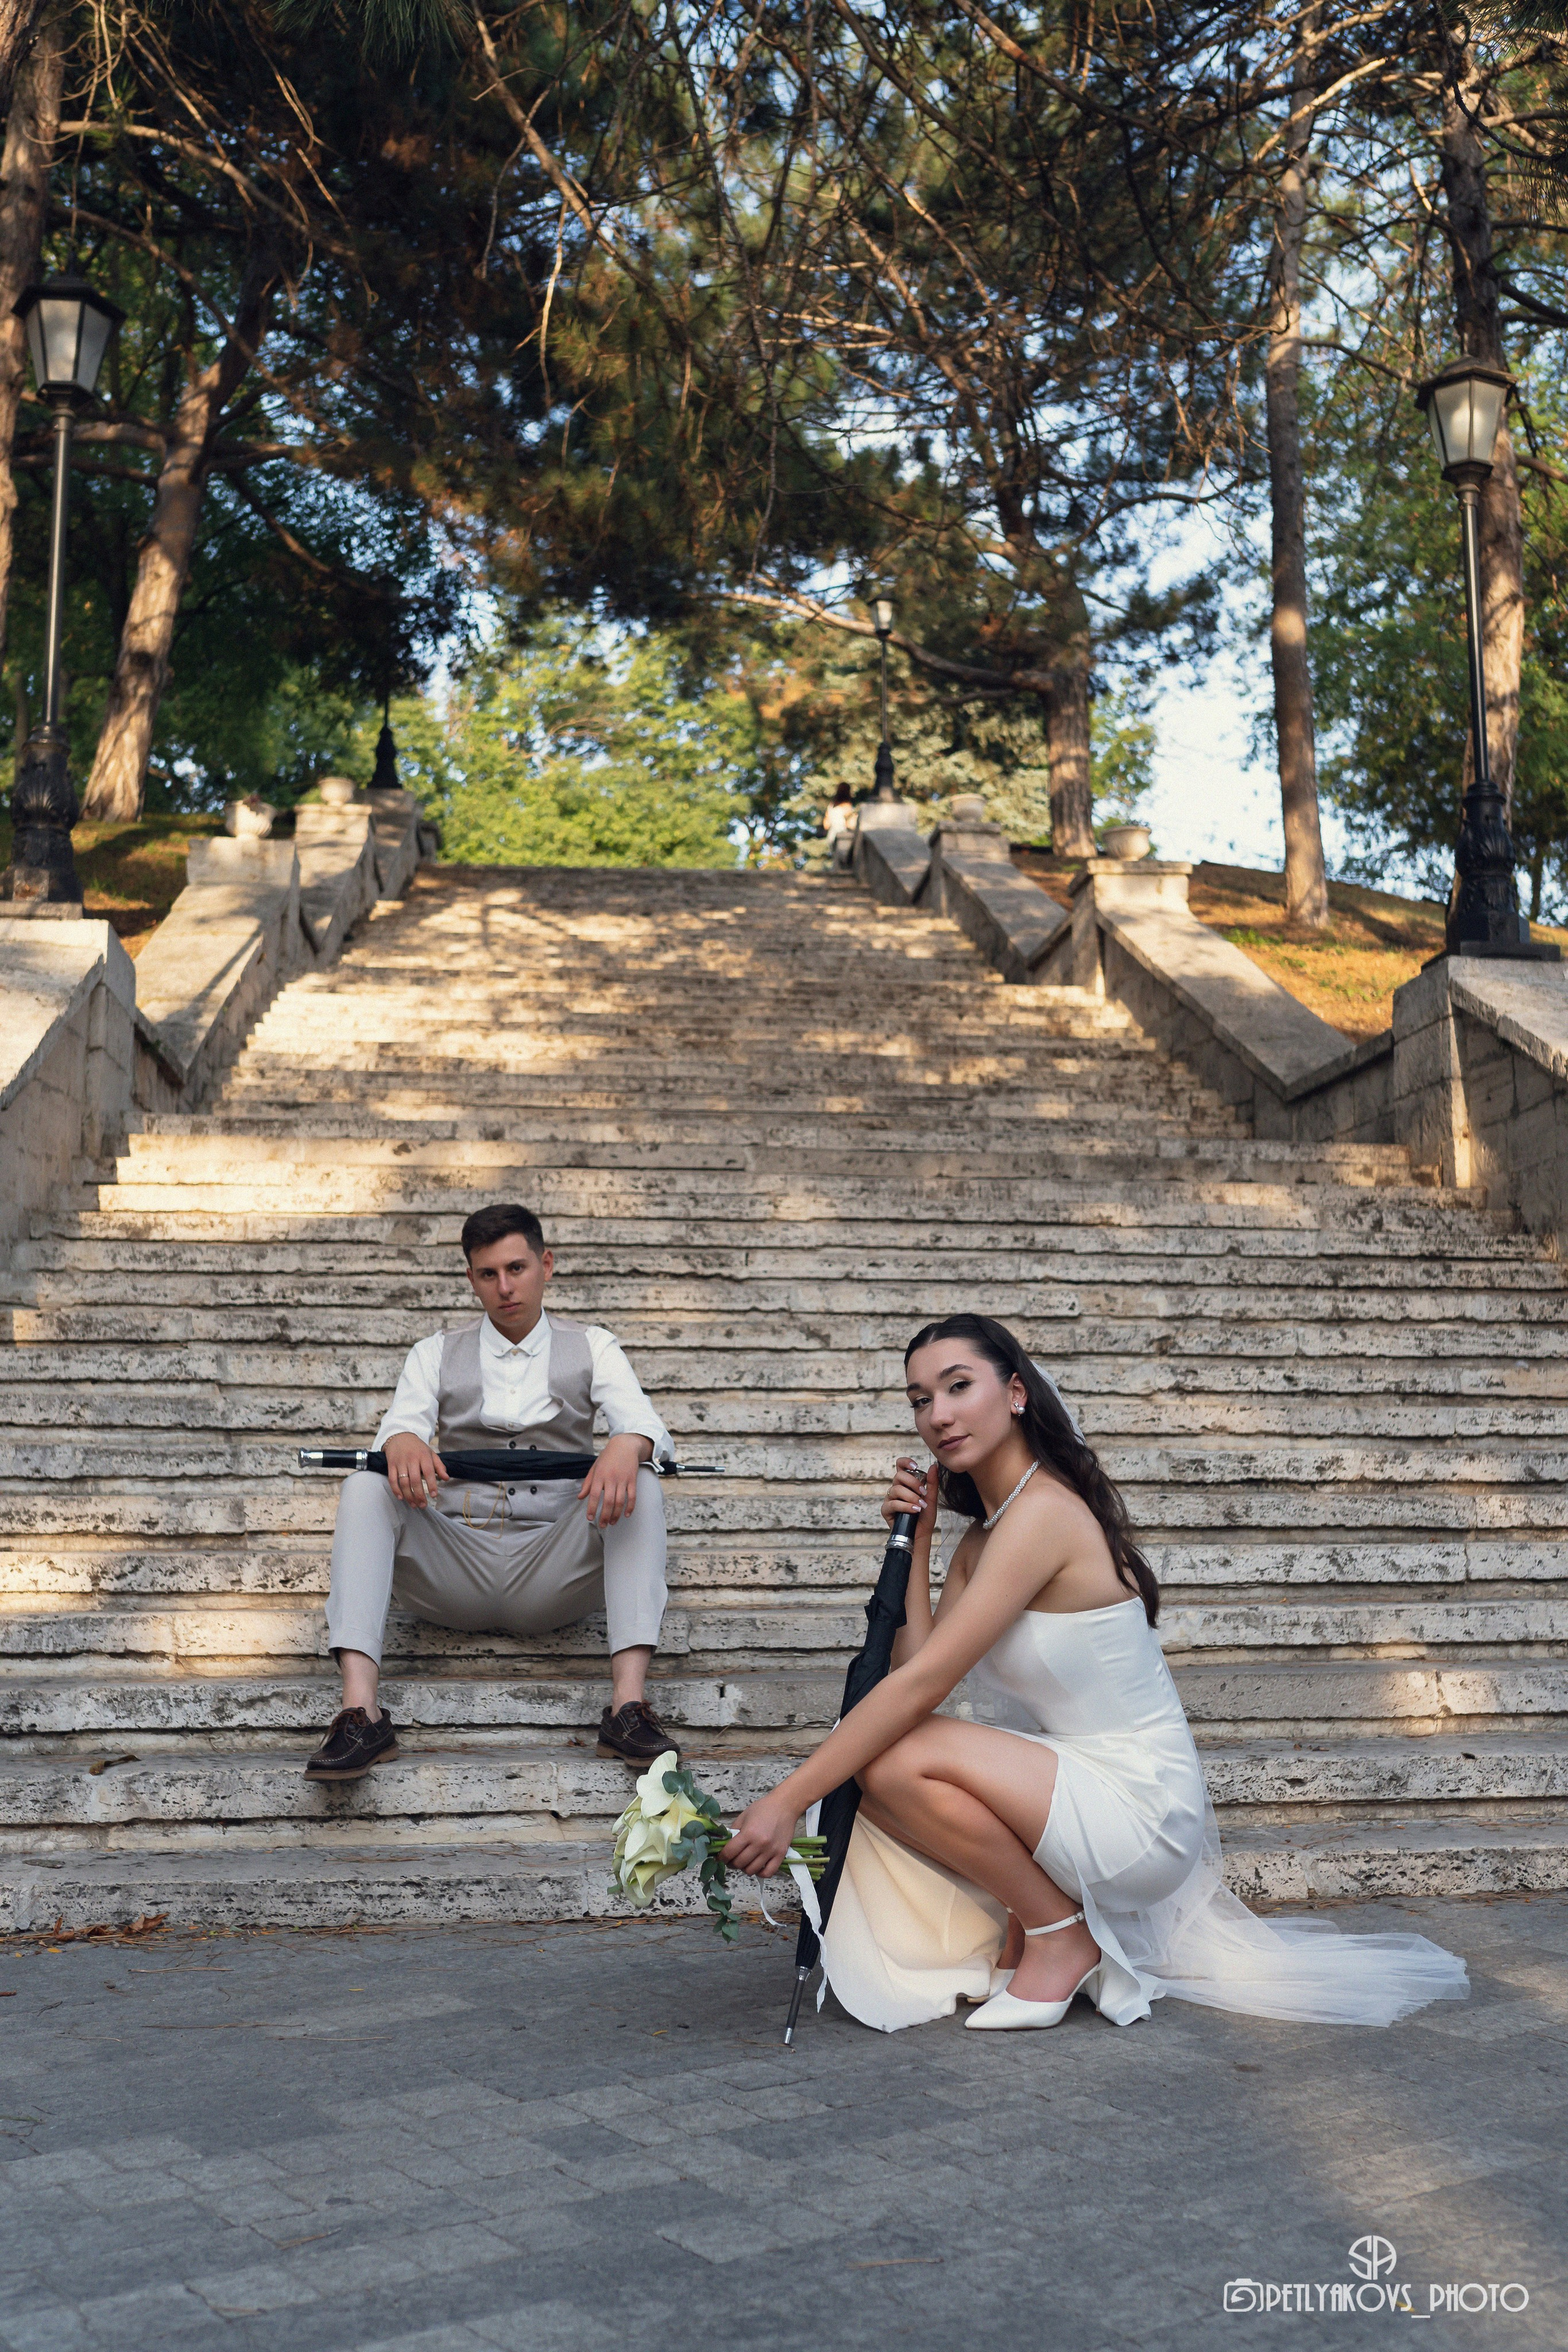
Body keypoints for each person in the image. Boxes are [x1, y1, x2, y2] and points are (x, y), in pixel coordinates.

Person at [724, 1314, 1469, 2033]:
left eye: (958, 1387)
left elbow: (915, 1693)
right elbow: (919, 1669)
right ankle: (1043, 1920)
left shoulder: (1043, 1516)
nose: (938, 1415)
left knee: (879, 1754)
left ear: (1016, 1393)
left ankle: (1057, 1933)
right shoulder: (985, 1540)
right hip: (1078, 1780)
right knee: (869, 1754)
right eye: (921, 1400)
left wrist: (787, 1798)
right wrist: (916, 1542)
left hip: (1141, 1804)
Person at [304, 1202, 680, 1781]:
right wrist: (402, 1440)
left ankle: (627, 1709)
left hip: (553, 1566)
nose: (505, 1288)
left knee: (645, 1482)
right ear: (471, 1279)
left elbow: (649, 1426)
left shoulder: (594, 1345)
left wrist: (627, 1445)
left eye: (517, 1268)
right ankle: (361, 1713)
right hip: (458, 1560)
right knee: (363, 1486)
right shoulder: (434, 1352)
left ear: (546, 1265)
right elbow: (397, 1431)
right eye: (488, 1274)